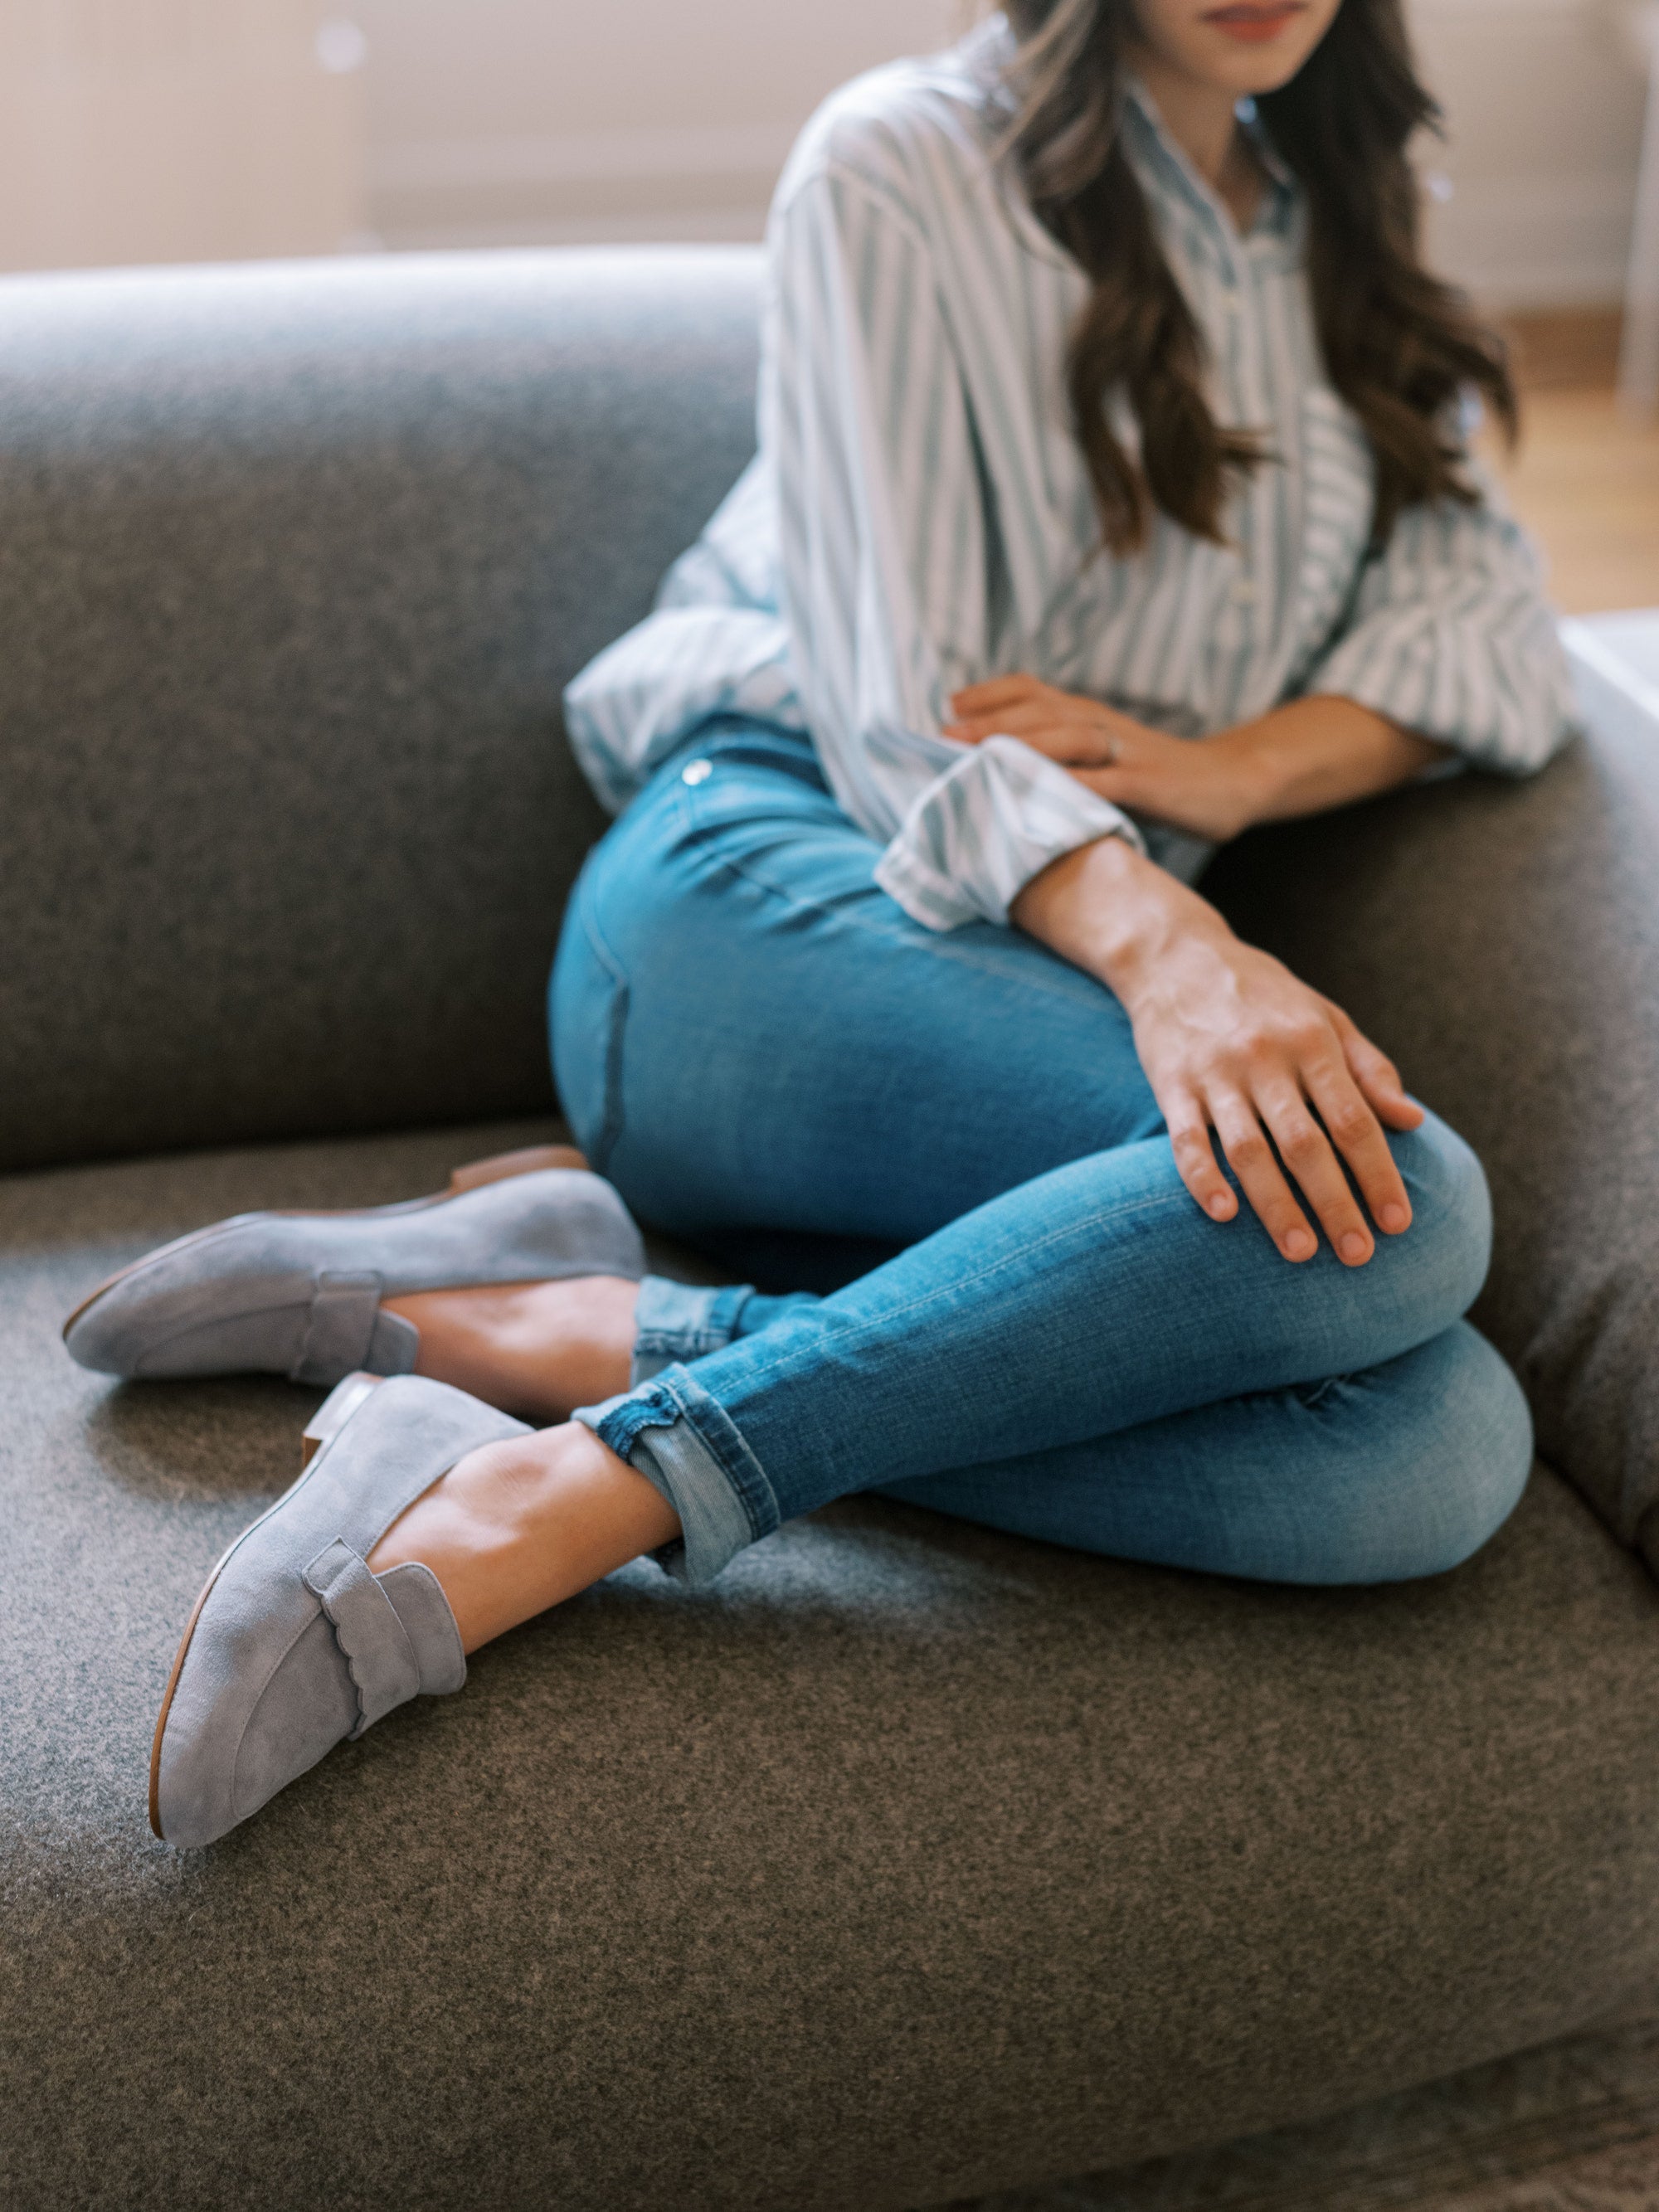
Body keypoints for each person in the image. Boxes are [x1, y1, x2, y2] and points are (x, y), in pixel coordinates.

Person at [68, 0, 1572, 1849]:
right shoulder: (899, 164)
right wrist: (1183, 948)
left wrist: (1232, 770)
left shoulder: (1346, 199)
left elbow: (1489, 631)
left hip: (1003, 992)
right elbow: (898, 700)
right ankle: (572, 1493)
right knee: (1402, 1204)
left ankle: (570, 1316)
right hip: (746, 893)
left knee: (1427, 1452)